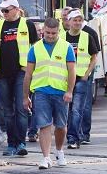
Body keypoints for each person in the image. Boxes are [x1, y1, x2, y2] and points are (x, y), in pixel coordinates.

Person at [0, 0, 38, 156]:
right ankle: (11, 143)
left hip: (22, 72)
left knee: (21, 109)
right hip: (2, 73)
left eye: (6, 10)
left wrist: (34, 70)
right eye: (2, 10)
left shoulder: (28, 25)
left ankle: (21, 143)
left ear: (16, 9)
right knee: (7, 111)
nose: (4, 13)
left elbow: (36, 48)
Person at [23, 17, 76, 169]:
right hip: (41, 92)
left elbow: (71, 71)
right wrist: (25, 96)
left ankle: (59, 151)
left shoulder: (66, 48)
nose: (50, 36)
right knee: (44, 125)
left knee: (61, 126)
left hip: (61, 92)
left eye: (53, 33)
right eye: (48, 33)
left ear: (58, 31)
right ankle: (46, 157)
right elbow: (28, 74)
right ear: (42, 31)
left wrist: (70, 91)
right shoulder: (35, 49)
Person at [64, 10, 98, 149]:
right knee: (67, 109)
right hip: (65, 79)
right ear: (69, 21)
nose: (77, 23)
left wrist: (87, 74)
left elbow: (94, 56)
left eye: (80, 20)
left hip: (81, 78)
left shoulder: (87, 36)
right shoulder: (61, 37)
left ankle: (73, 138)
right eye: (75, 20)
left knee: (77, 109)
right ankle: (73, 133)